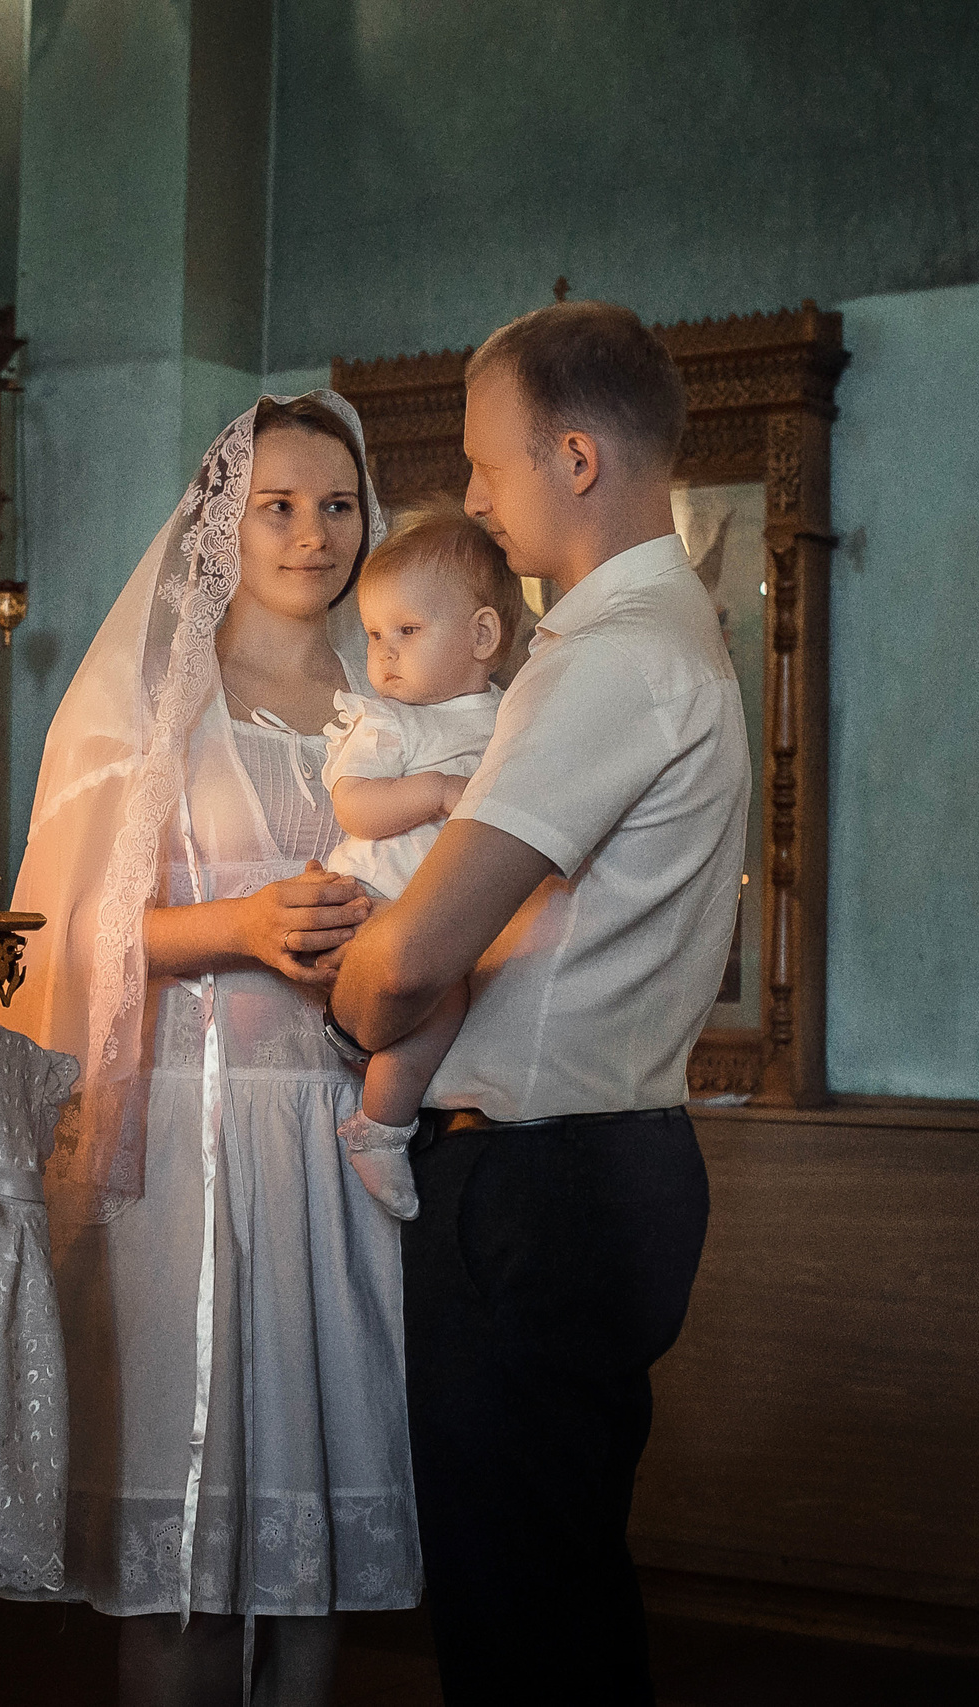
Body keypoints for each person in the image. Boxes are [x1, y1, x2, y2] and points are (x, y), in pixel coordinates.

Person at [331, 301, 747, 1704]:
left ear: (575, 458)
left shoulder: (610, 656)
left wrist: (341, 978)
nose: (473, 497)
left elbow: (410, 961)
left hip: (545, 1175)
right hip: (597, 1163)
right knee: (550, 1595)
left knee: (521, 1623)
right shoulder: (653, 636)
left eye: (486, 462)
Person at [0, 391, 421, 1705]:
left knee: (309, 1556)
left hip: (340, 1140)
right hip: (190, 1142)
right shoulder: (152, 702)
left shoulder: (388, 700)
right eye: (276, 505)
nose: (312, 534)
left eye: (338, 505)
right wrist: (236, 925)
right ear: (219, 522)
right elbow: (68, 936)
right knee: (186, 1552)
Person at [320, 502, 516, 1220]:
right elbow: (354, 806)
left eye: (407, 631)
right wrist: (432, 791)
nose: (385, 654)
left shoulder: (514, 715)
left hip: (445, 909)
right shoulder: (391, 722)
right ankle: (380, 1126)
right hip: (374, 898)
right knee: (446, 994)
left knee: (470, 990)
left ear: (482, 635)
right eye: (375, 634)